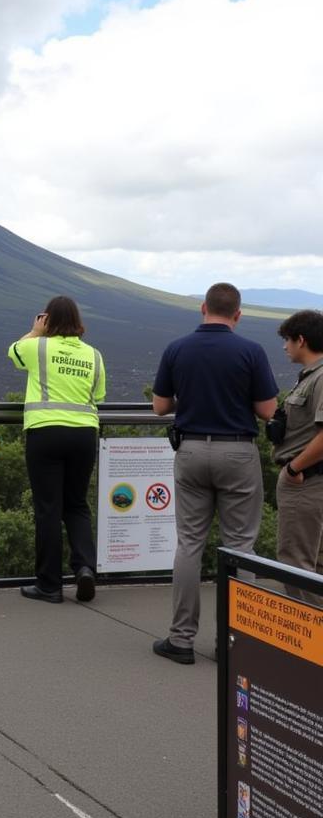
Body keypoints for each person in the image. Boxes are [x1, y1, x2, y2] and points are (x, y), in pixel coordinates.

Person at [151, 283, 278, 664]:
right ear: (238, 314)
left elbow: (160, 407)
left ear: (203, 308)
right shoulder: (251, 351)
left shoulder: (177, 348)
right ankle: (234, 644)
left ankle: (181, 639)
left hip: (190, 450)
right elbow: (269, 410)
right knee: (241, 547)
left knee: (189, 544)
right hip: (237, 451)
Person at [8, 296, 105, 604]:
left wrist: (35, 331)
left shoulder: (38, 347)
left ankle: (49, 584)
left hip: (45, 433)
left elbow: (13, 353)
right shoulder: (94, 355)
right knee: (76, 505)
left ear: (46, 319)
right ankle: (85, 568)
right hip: (84, 435)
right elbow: (99, 394)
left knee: (48, 508)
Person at [271, 310, 323, 592]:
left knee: (297, 566)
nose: (284, 346)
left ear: (301, 340)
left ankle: (303, 635)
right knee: (315, 566)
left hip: (306, 482)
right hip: (310, 479)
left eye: (287, 340)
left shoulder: (320, 378)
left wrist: (294, 469)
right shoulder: (310, 376)